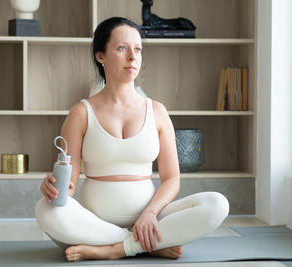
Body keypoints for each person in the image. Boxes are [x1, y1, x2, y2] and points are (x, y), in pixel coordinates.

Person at [35, 17, 229, 262]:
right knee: (44, 210)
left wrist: (149, 214)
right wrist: (52, 187)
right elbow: (69, 185)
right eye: (122, 48)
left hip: (150, 218)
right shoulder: (81, 113)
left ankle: (114, 249)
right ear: (100, 56)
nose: (132, 57)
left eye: (137, 49)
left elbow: (172, 180)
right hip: (94, 221)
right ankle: (145, 244)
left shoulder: (157, 111)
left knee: (217, 204)